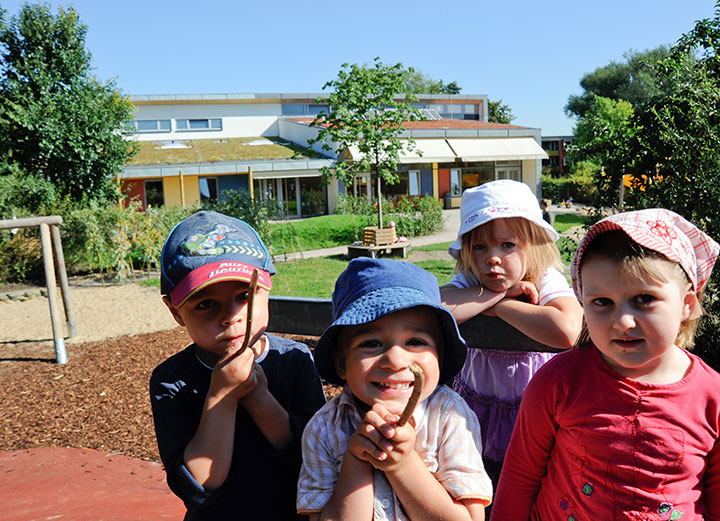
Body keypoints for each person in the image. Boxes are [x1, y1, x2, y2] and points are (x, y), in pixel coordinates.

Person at [491, 208, 720, 520]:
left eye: (644, 299)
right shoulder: (557, 382)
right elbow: (519, 480)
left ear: (686, 305)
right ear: (583, 302)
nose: (623, 321)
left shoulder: (713, 397)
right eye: (602, 302)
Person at [149, 210, 326, 520]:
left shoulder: (294, 360)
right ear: (175, 311)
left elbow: (314, 462)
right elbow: (197, 488)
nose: (231, 316)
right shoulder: (172, 380)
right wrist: (223, 395)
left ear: (267, 290)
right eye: (205, 303)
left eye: (244, 295)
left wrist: (259, 398)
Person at [297, 258, 493, 521]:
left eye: (415, 341)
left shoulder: (450, 417)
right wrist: (357, 458)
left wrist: (404, 465)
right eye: (371, 343)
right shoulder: (323, 428)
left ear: (440, 357)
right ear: (341, 363)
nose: (395, 360)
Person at [440, 180, 583, 485]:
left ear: (532, 245)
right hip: (478, 412)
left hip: (534, 416)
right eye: (480, 246)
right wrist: (496, 296)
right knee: (481, 481)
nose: (492, 258)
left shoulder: (545, 279)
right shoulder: (470, 281)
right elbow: (436, 309)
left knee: (532, 482)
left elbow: (567, 330)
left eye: (507, 245)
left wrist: (500, 307)